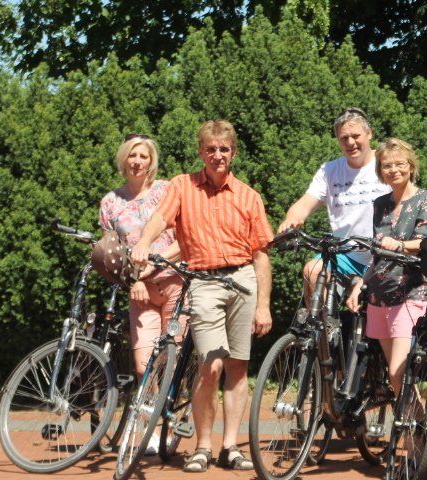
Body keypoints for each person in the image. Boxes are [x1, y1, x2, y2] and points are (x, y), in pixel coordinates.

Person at [131, 120, 273, 472]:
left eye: (224, 149)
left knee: (238, 367)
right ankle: (203, 446)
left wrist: (264, 306)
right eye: (211, 149)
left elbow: (261, 255)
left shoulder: (249, 196)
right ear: (201, 152)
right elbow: (160, 219)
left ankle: (230, 446)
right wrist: (145, 242)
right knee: (211, 366)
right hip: (205, 281)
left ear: (233, 153)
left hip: (243, 279)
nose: (217, 155)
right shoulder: (182, 185)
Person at [99, 134, 183, 456]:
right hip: (139, 291)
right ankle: (154, 427)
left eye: (143, 156)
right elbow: (112, 252)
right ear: (124, 159)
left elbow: (184, 238)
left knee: (171, 359)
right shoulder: (110, 202)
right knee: (143, 362)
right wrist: (131, 280)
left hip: (175, 282)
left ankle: (170, 423)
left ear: (151, 162)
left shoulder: (166, 191)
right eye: (132, 155)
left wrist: (154, 266)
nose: (137, 161)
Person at [345, 137, 427, 398]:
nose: (393, 170)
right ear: (380, 171)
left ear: (411, 166)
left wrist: (399, 245)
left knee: (398, 372)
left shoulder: (426, 199)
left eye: (400, 164)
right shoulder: (380, 204)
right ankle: (412, 419)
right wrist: (360, 285)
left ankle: (415, 419)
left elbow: (425, 242)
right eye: (387, 165)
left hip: (410, 291)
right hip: (379, 293)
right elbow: (377, 253)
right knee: (394, 375)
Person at [278, 107, 391, 298]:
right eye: (344, 138)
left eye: (356, 136)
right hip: (345, 255)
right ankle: (320, 319)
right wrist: (291, 220)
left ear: (370, 133)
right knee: (312, 271)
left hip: (384, 255)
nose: (351, 142)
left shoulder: (387, 163)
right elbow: (305, 203)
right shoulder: (330, 171)